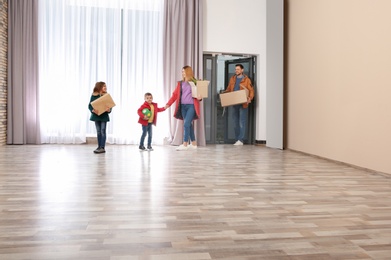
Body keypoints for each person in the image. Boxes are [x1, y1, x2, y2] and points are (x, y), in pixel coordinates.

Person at [165, 65, 202, 151]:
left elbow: (200, 94)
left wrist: (200, 97)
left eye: (184, 71)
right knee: (188, 124)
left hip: (191, 106)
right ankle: (193, 143)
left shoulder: (195, 82)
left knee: (186, 124)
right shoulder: (180, 83)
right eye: (182, 72)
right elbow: (174, 95)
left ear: (188, 72)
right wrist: (168, 104)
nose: (182, 73)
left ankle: (185, 144)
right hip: (183, 107)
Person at [225, 64, 254, 145]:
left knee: (242, 122)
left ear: (242, 70)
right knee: (235, 122)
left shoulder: (247, 80)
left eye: (238, 69)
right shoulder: (232, 79)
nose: (236, 71)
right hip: (235, 103)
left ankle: (240, 140)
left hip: (243, 103)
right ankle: (237, 139)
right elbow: (229, 89)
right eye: (235, 69)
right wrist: (224, 95)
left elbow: (251, 90)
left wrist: (250, 98)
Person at [88, 81, 112, 154]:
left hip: (104, 116)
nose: (105, 87)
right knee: (98, 132)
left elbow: (110, 106)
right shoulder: (93, 95)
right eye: (104, 86)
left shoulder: (107, 96)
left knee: (103, 131)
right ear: (99, 87)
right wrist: (92, 110)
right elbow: (89, 106)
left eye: (106, 86)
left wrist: (109, 110)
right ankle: (99, 147)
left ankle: (102, 147)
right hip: (96, 116)